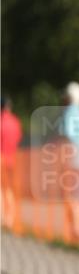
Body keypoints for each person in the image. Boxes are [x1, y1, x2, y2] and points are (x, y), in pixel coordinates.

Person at [58, 82, 79, 245]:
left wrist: (62, 161)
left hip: (71, 159)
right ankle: (78, 230)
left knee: (71, 195)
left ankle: (75, 230)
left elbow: (65, 138)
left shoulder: (68, 113)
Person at [0, 96, 22, 229]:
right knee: (9, 189)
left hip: (1, 157)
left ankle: (2, 217)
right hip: (12, 158)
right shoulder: (15, 121)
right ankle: (10, 219)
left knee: (1, 189)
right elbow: (18, 138)